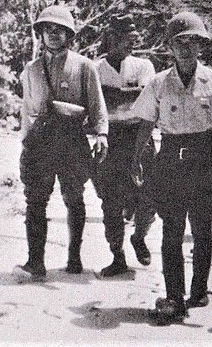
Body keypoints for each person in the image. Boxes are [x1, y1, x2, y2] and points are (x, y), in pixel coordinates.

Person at [129, 11, 212, 324]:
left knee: (202, 228)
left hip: (205, 158)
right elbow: (145, 123)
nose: (185, 48)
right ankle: (173, 295)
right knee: (171, 230)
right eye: (179, 42)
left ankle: (199, 290)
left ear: (200, 46)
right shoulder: (157, 83)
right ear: (170, 46)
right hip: (170, 159)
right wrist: (137, 154)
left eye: (192, 41)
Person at [14, 5, 109, 282]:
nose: (54, 35)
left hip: (71, 139)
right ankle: (35, 262)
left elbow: (97, 106)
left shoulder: (84, 66)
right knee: (35, 200)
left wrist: (101, 134)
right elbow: (26, 108)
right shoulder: (31, 69)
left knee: (74, 197)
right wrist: (26, 142)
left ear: (70, 36)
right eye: (48, 30)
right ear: (40, 35)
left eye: (60, 31)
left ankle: (74, 256)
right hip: (40, 140)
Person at [93, 14, 157, 277]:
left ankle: (139, 236)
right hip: (109, 137)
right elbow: (94, 105)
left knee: (149, 196)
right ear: (110, 38)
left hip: (140, 136)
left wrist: (111, 98)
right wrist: (125, 100)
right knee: (110, 201)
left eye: (132, 39)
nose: (128, 44)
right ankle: (117, 256)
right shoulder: (96, 68)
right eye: (122, 38)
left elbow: (147, 102)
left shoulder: (143, 66)